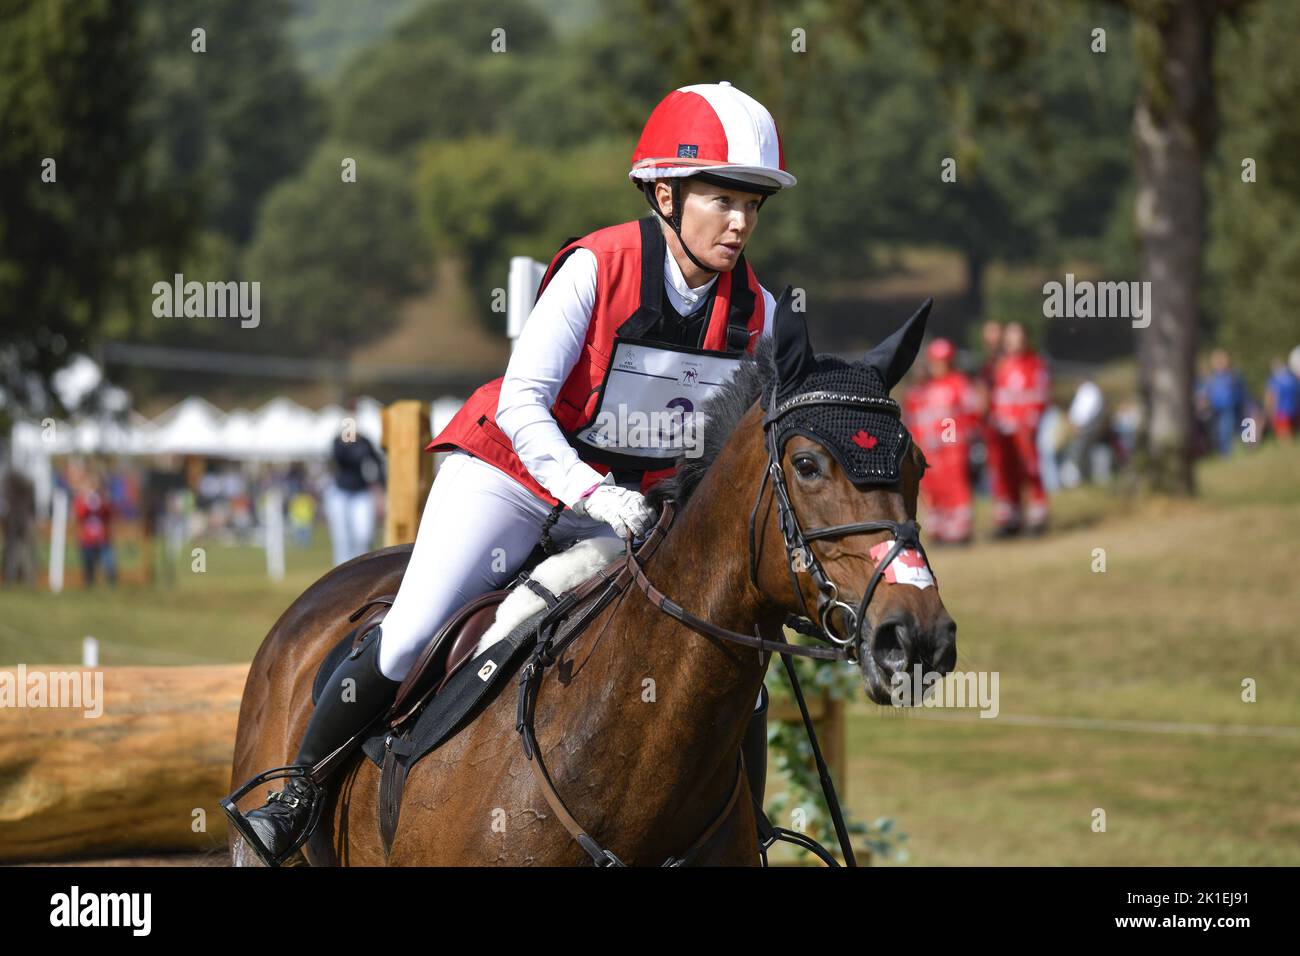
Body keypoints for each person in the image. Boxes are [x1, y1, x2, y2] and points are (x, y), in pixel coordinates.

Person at [227, 82, 796, 864]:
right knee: (413, 630)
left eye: (754, 204)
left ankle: (743, 837)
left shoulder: (754, 309)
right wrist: (594, 492)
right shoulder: (599, 267)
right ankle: (298, 793)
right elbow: (526, 403)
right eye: (723, 198)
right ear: (665, 192)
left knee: (732, 665)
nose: (740, 222)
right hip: (514, 472)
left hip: (626, 505)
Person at [903, 339, 980, 543]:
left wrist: (967, 436)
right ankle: (940, 529)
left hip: (953, 447)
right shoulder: (921, 390)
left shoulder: (958, 383)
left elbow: (973, 411)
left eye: (943, 361)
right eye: (936, 361)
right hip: (929, 448)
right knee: (932, 489)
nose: (939, 366)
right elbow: (914, 420)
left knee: (955, 486)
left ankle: (960, 531)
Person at [987, 322, 1050, 536]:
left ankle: (1037, 516)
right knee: (1006, 473)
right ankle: (1010, 518)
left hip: (1025, 430)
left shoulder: (1034, 364)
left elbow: (1039, 395)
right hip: (1005, 431)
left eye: (1017, 338)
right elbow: (996, 396)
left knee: (1030, 469)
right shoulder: (1001, 366)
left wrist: (1030, 420)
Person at [322, 397, 386, 566]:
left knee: (363, 535)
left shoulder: (365, 442)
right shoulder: (338, 442)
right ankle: (343, 574)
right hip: (340, 492)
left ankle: (362, 570)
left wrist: (380, 490)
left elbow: (377, 464)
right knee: (342, 539)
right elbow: (339, 459)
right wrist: (347, 440)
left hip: (361, 492)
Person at [1195, 349, 1249, 456]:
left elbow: (1241, 392)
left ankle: (1227, 453)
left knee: (1227, 430)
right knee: (1218, 432)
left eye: (1221, 361)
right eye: (1217, 361)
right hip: (1215, 410)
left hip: (1229, 409)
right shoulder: (1211, 378)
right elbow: (1204, 393)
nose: (1219, 364)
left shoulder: (1232, 375)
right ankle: (1224, 452)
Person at [72, 473, 116, 587]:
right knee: (88, 567)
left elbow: (109, 514)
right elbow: (80, 515)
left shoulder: (103, 500)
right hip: (87, 539)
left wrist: (102, 502)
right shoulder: (81, 500)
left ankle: (112, 586)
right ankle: (89, 587)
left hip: (102, 538)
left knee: (109, 565)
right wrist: (87, 502)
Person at [1264, 358, 1298, 441]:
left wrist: (1269, 410)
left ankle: (1287, 451)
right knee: (1292, 433)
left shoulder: (1275, 380)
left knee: (1284, 435)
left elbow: (1272, 396)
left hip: (1281, 411)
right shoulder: (1292, 378)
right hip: (1294, 409)